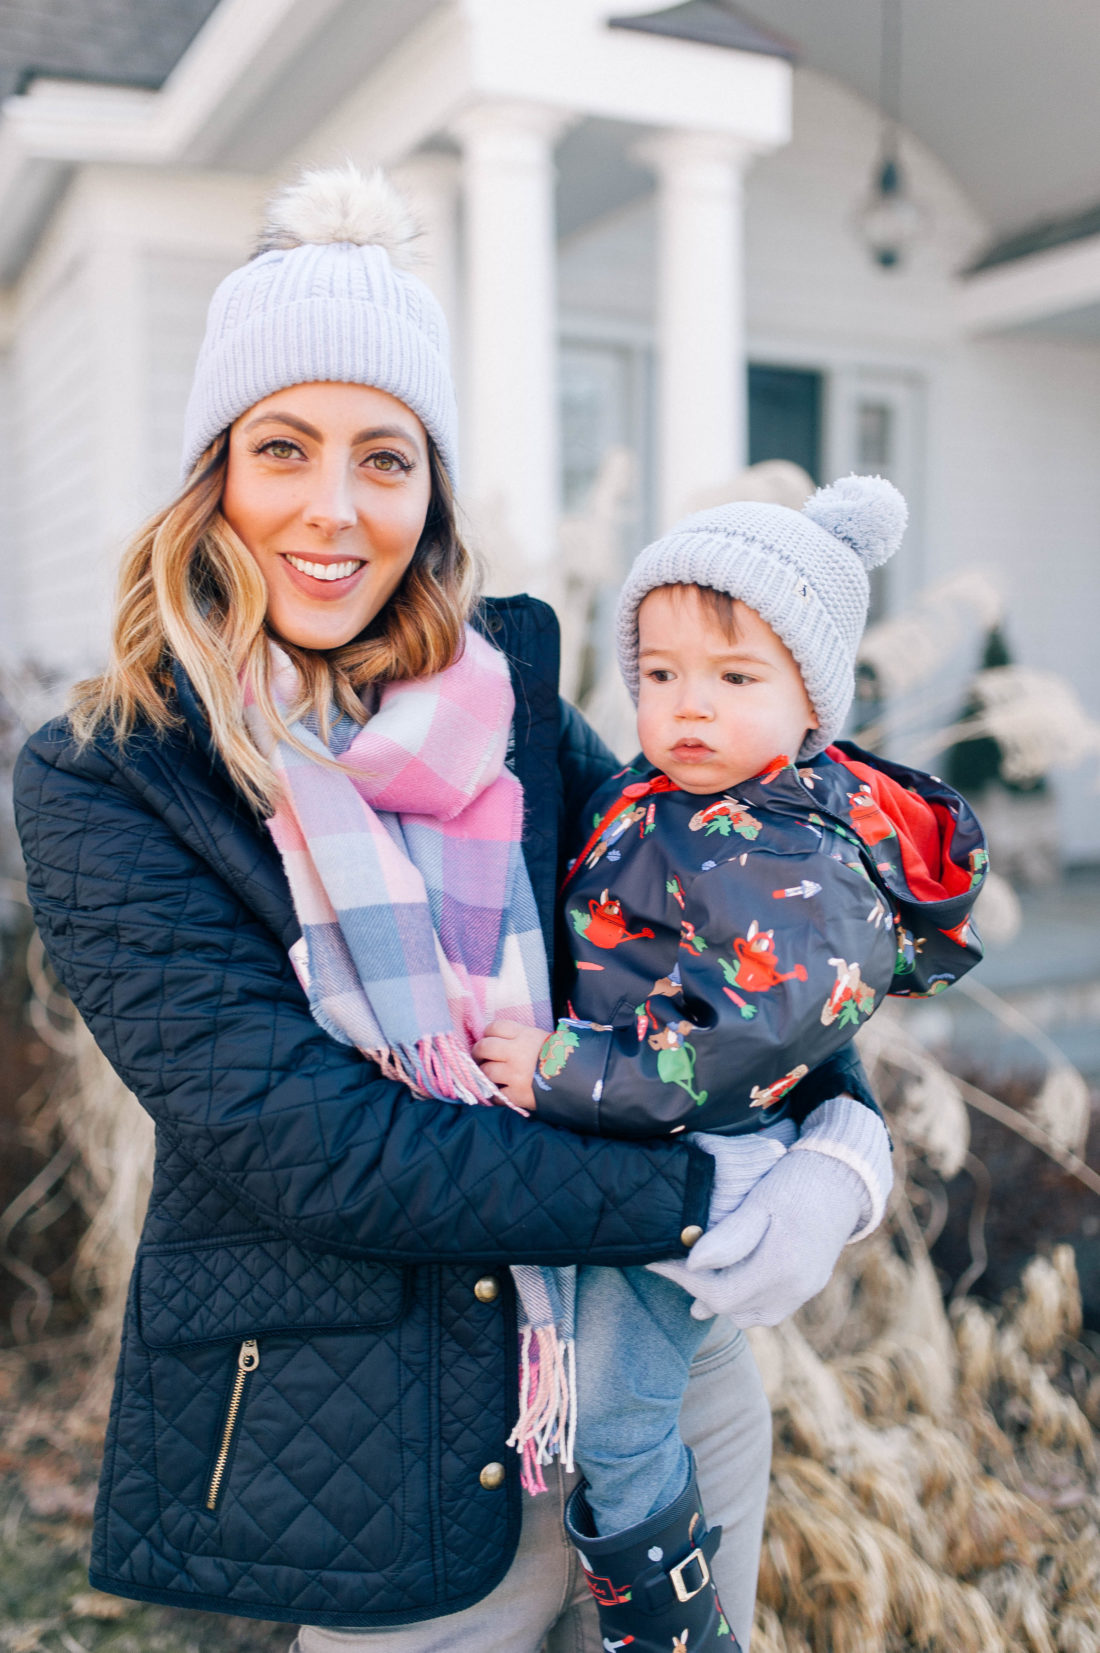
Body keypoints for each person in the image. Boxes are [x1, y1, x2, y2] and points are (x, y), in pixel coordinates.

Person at [12, 163, 888, 1653]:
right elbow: (322, 1149)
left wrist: (840, 1144)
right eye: (284, 448)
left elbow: (725, 929)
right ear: (212, 471)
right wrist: (700, 1193)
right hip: (377, 1437)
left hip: (657, 1384)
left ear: (433, 491)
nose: (336, 511)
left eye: (388, 458)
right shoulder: (114, 775)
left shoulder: (513, 697)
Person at [475, 481, 988, 1651]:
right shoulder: (661, 797)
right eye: (659, 675)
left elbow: (741, 1036)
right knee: (608, 1408)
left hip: (698, 1163)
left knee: (613, 1413)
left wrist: (560, 1069)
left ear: (810, 699)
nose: (686, 705)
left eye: (732, 677)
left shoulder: (789, 848)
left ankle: (673, 1634)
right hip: (636, 1141)